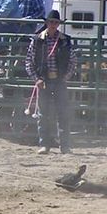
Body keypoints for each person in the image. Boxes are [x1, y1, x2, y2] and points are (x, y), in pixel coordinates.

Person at [25, 9, 77, 154]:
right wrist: (36, 79)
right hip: (44, 80)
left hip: (59, 80)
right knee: (44, 114)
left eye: (56, 22)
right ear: (47, 23)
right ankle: (45, 144)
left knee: (63, 113)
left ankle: (64, 146)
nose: (53, 25)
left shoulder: (65, 41)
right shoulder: (37, 40)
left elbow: (72, 60)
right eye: (51, 22)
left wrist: (66, 77)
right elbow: (29, 61)